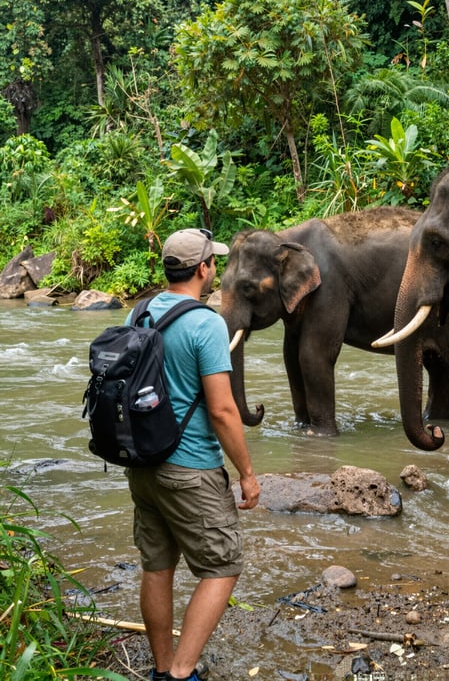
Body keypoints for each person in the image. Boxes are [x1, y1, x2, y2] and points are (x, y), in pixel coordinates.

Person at [126, 228, 260, 681]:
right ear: (203, 269)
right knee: (223, 566)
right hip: (191, 467)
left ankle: (162, 667)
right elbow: (222, 410)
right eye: (212, 263)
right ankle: (182, 672)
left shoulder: (139, 313)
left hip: (143, 464)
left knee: (157, 565)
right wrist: (246, 473)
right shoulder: (207, 323)